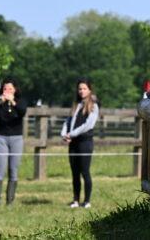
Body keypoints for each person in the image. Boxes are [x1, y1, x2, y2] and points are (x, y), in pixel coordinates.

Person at [61, 77, 99, 209]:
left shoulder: (93, 106)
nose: (81, 91)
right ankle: (75, 200)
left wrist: (72, 134)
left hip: (85, 143)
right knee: (74, 172)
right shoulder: (75, 105)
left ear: (89, 90)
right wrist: (64, 134)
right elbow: (68, 121)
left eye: (84, 88)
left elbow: (87, 125)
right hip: (73, 144)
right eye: (80, 89)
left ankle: (87, 201)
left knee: (85, 172)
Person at [0, 77, 27, 206]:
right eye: (5, 88)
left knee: (13, 169)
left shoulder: (20, 101)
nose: (8, 91)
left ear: (15, 90)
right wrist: (1, 102)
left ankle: (9, 201)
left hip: (16, 138)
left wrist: (13, 102)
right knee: (1, 169)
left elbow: (22, 112)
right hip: (1, 138)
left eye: (10, 88)